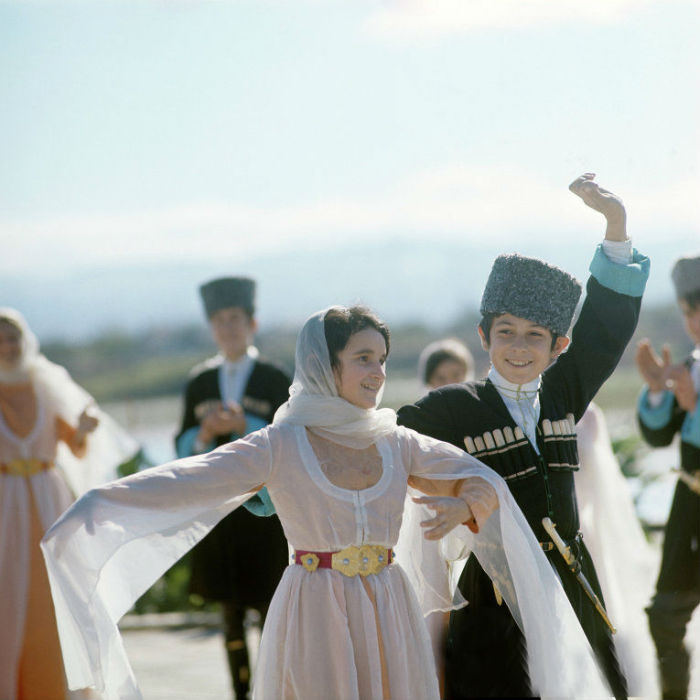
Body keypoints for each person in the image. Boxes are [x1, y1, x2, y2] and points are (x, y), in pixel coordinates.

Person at [42, 305, 612, 700]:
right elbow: (185, 480)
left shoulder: (396, 440)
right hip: (315, 609)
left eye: (382, 359)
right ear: (325, 363)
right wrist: (96, 505)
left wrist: (465, 506)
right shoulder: (280, 444)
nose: (378, 373)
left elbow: (480, 478)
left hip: (390, 607)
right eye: (363, 358)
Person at [397, 173, 649, 699]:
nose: (518, 346)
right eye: (506, 331)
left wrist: (616, 223)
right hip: (494, 598)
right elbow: (381, 445)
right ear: (483, 336)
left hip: (571, 587)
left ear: (559, 346)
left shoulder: (563, 392)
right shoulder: (451, 408)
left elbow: (605, 328)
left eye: (535, 335)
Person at [0, 308, 138, 700]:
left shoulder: (45, 384)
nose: (7, 347)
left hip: (49, 501)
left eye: (13, 338)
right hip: (4, 507)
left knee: (56, 596)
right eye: (0, 341)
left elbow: (74, 445)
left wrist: (84, 430)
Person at [176, 276, 291, 699]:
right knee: (229, 613)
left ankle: (271, 689)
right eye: (220, 320)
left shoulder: (274, 378)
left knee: (269, 607)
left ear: (252, 323)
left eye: (235, 319)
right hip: (221, 511)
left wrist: (248, 425)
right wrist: (205, 433)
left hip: (266, 510)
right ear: (211, 327)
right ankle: (239, 691)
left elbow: (292, 436)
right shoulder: (200, 382)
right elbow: (182, 444)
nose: (228, 328)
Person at [635, 252, 700, 699]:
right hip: (689, 506)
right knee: (665, 615)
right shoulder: (691, 365)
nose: (694, 322)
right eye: (687, 311)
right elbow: (659, 437)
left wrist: (694, 406)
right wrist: (659, 391)